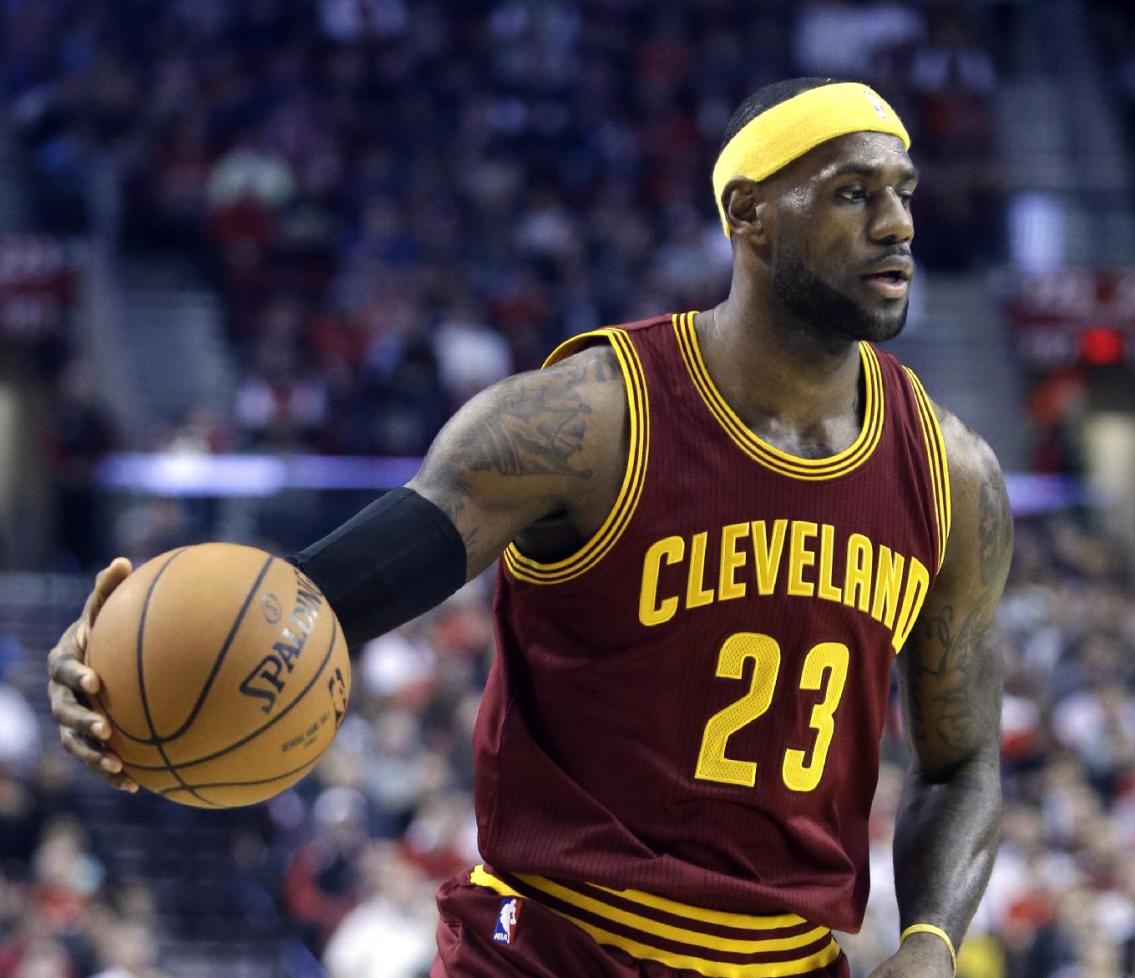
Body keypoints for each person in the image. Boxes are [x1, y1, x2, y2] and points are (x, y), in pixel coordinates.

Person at [47, 78, 1012, 978]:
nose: (898, 224)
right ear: (748, 215)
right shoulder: (591, 422)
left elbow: (963, 761)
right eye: (852, 194)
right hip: (553, 947)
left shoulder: (951, 476)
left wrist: (930, 940)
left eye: (903, 191)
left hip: (787, 958)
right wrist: (125, 670)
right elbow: (319, 599)